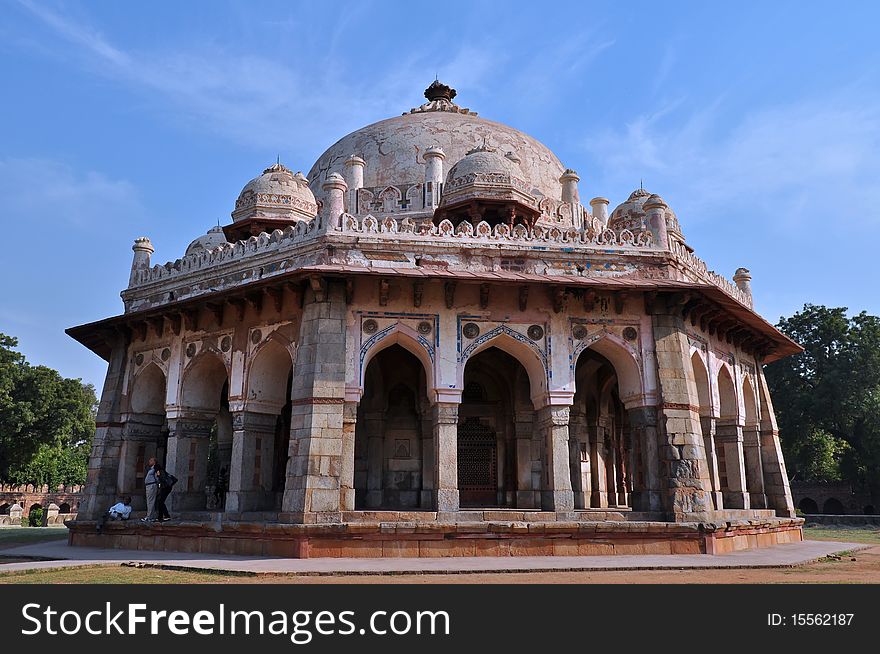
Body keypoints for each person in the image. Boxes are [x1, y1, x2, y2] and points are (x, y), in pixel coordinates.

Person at [141, 457, 158, 522]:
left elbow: (157, 477)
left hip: (152, 485)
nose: (149, 461)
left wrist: (157, 485)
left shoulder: (156, 468)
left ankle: (149, 517)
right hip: (149, 485)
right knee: (150, 502)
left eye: (151, 460)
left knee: (150, 502)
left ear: (154, 462)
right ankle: (152, 516)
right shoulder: (151, 469)